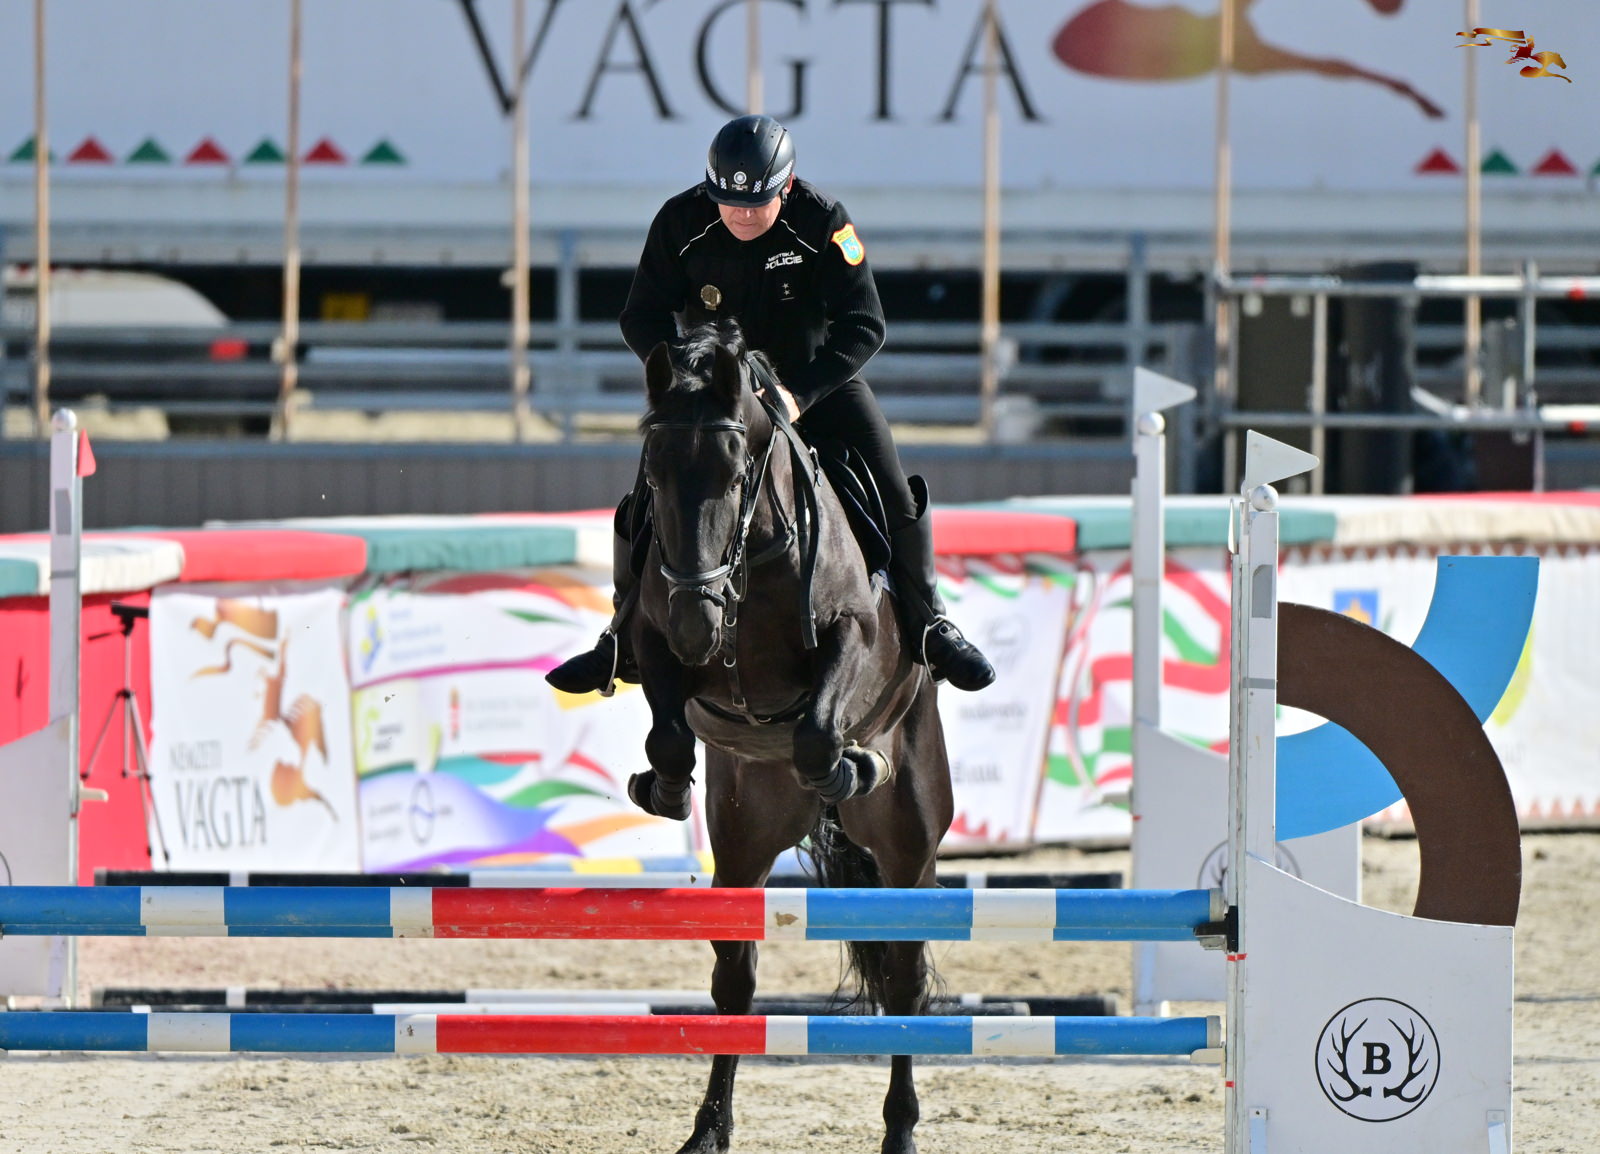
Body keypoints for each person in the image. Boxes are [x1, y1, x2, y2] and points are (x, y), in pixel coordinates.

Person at [546, 114, 994, 695]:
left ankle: (930, 622)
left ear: (787, 186)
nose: (742, 216)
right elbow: (640, 315)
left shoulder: (824, 222)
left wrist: (798, 393)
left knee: (892, 484)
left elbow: (864, 325)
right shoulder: (679, 221)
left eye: (757, 204)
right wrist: (682, 373)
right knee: (653, 489)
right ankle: (619, 636)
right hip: (714, 396)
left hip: (811, 385)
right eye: (729, 203)